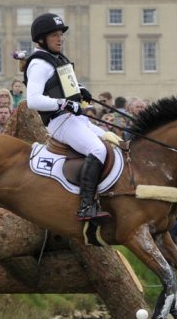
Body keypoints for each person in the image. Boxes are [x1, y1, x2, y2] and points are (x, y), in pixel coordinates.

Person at [24, 12, 116, 221]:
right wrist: (64, 103)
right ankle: (85, 206)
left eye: (61, 35)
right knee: (97, 149)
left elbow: (66, 84)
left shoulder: (58, 59)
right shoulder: (39, 64)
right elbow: (33, 100)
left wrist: (81, 89)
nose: (60, 39)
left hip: (74, 118)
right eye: (54, 35)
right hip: (58, 122)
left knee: (112, 140)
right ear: (41, 39)